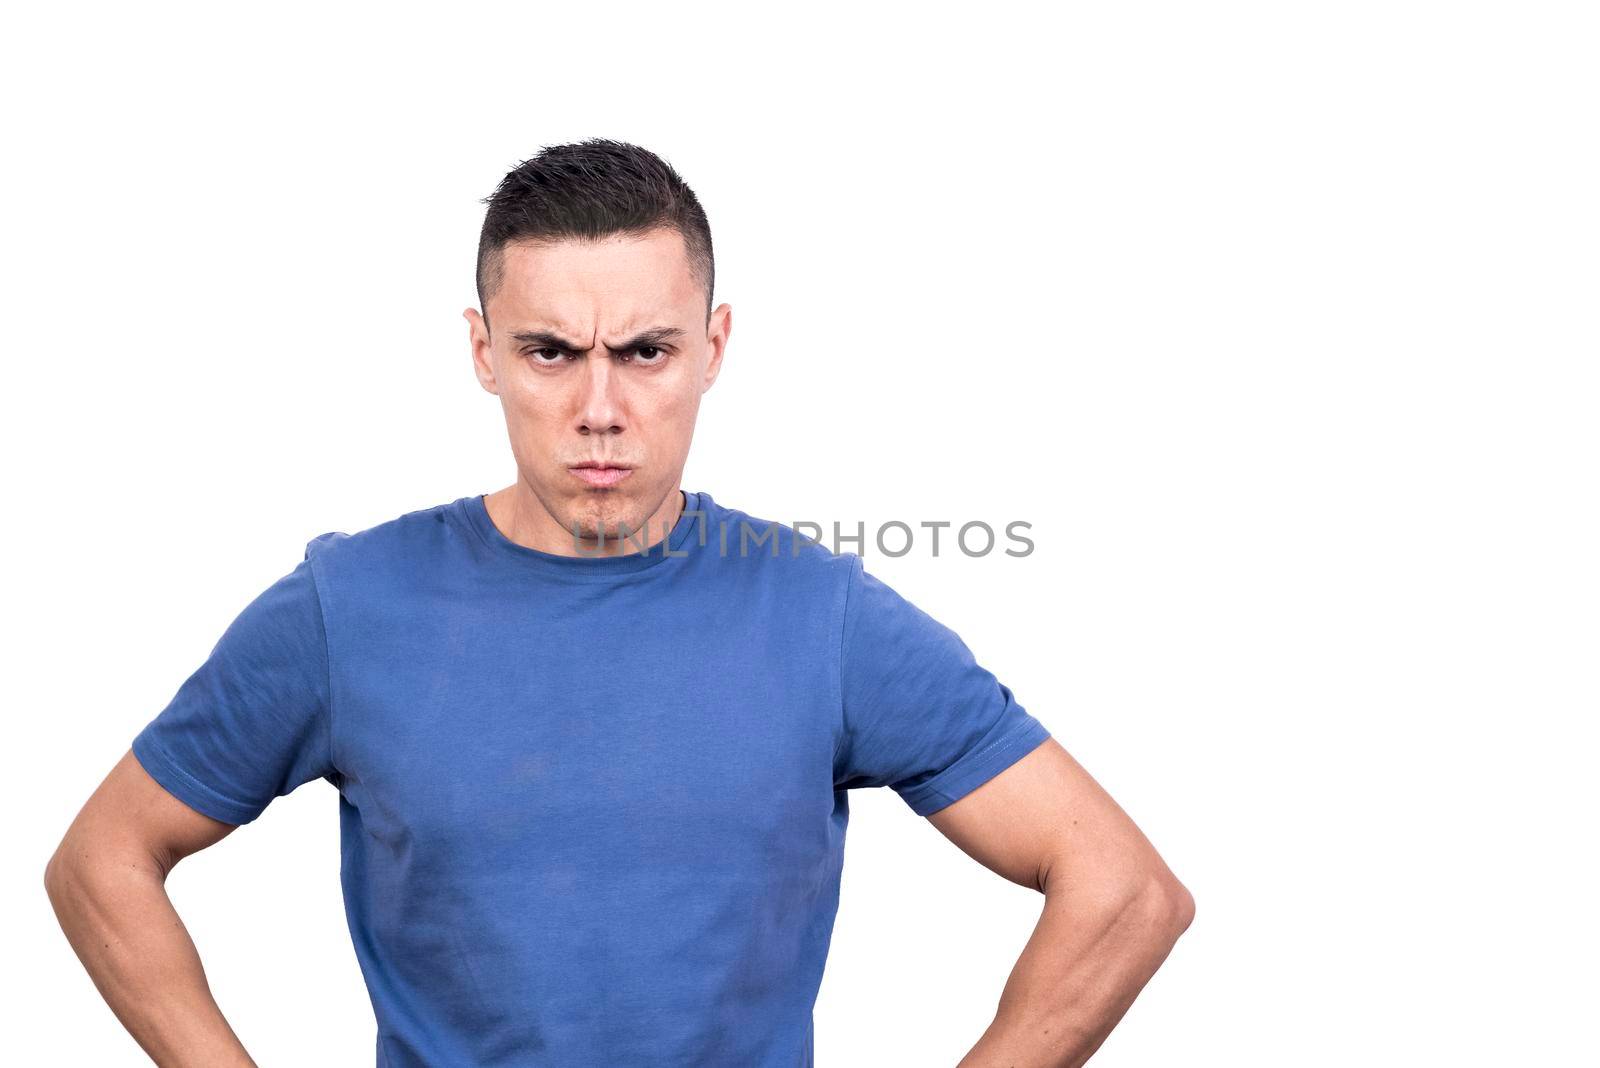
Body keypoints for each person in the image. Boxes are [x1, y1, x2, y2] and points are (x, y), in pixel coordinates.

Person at [44, 139, 1194, 1067]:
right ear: (483, 352)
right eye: (551, 353)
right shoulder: (348, 610)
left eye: (644, 352)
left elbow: (1125, 892)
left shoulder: (819, 616)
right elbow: (102, 861)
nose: (600, 406)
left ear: (713, 347)